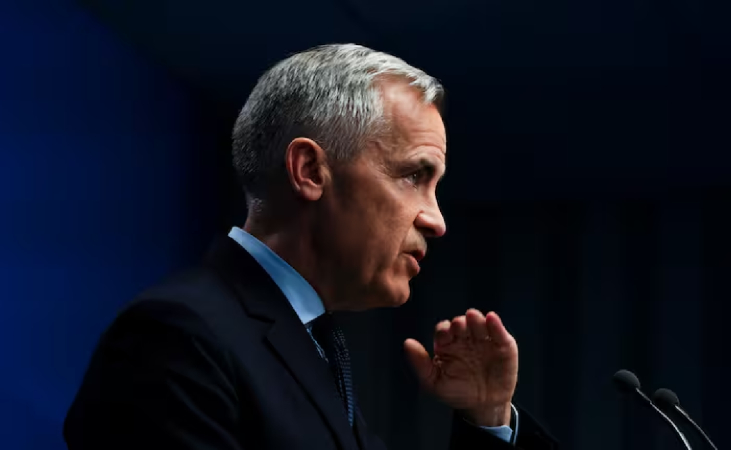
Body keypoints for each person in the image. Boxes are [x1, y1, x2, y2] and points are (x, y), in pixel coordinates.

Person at [63, 44, 557, 449]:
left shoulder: (308, 347)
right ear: (310, 171)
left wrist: (487, 418)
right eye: (413, 176)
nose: (437, 220)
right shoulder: (178, 337)